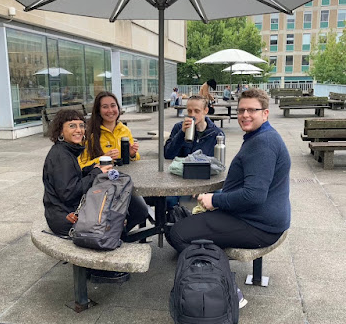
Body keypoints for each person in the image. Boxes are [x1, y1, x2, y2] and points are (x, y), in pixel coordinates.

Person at [168, 88, 291, 306]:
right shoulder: (261, 136)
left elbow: (253, 195)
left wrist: (214, 200)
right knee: (190, 225)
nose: (245, 115)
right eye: (241, 109)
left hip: (258, 225)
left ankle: (226, 287)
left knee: (178, 233)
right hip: (258, 217)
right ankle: (216, 273)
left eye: (252, 110)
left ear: (265, 113)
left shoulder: (262, 143)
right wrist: (217, 197)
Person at [78, 91, 150, 234]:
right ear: (98, 110)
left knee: (141, 212)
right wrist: (102, 158)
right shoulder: (89, 133)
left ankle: (117, 235)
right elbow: (80, 166)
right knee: (122, 212)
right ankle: (111, 236)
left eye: (113, 106)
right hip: (100, 185)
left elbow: (135, 160)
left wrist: (132, 154)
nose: (110, 111)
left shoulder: (124, 130)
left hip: (123, 183)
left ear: (118, 107)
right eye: (105, 107)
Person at [43, 109, 110, 237]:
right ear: (61, 131)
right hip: (65, 219)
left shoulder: (65, 150)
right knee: (114, 218)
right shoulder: (61, 156)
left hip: (61, 213)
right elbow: (69, 193)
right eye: (72, 126)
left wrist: (91, 168)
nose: (79, 130)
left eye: (81, 125)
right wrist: (96, 173)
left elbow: (71, 176)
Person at [164, 95, 225, 209]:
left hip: (204, 179)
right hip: (180, 178)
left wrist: (199, 187)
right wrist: (182, 133)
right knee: (168, 199)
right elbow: (168, 155)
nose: (192, 115)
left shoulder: (216, 134)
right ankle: (174, 221)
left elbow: (215, 166)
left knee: (219, 197)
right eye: (189, 111)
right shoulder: (178, 128)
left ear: (205, 111)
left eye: (197, 111)